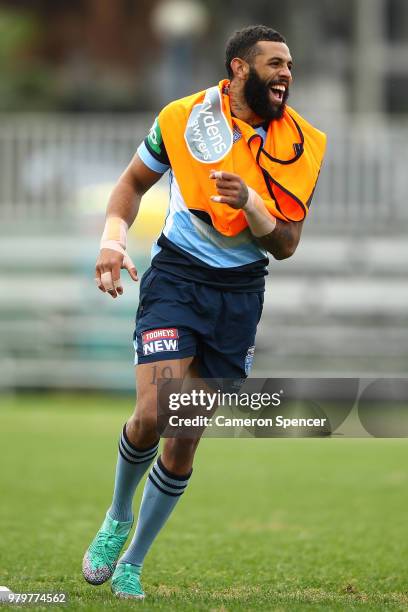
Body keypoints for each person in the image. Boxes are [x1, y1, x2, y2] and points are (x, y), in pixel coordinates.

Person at [82, 24, 326, 600]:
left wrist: (253, 205)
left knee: (186, 433)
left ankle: (134, 564)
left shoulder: (304, 143)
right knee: (152, 412)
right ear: (240, 69)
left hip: (239, 293)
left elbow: (286, 244)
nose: (285, 73)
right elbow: (132, 183)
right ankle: (117, 516)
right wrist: (113, 243)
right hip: (178, 279)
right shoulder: (185, 117)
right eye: (273, 63)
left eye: (289, 63)